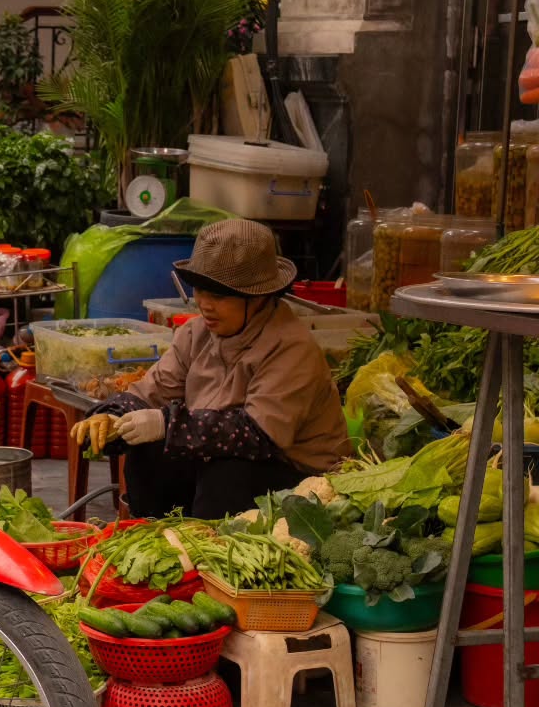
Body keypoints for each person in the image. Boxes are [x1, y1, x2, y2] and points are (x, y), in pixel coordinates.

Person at [68, 219, 352, 519]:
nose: (204, 304)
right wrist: (111, 415)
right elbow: (152, 392)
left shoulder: (292, 348)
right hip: (224, 458)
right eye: (200, 291)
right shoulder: (196, 334)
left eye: (218, 296)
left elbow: (258, 435)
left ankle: (204, 554)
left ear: (258, 297)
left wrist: (165, 423)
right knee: (149, 452)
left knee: (226, 474)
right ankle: (156, 535)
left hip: (299, 478)